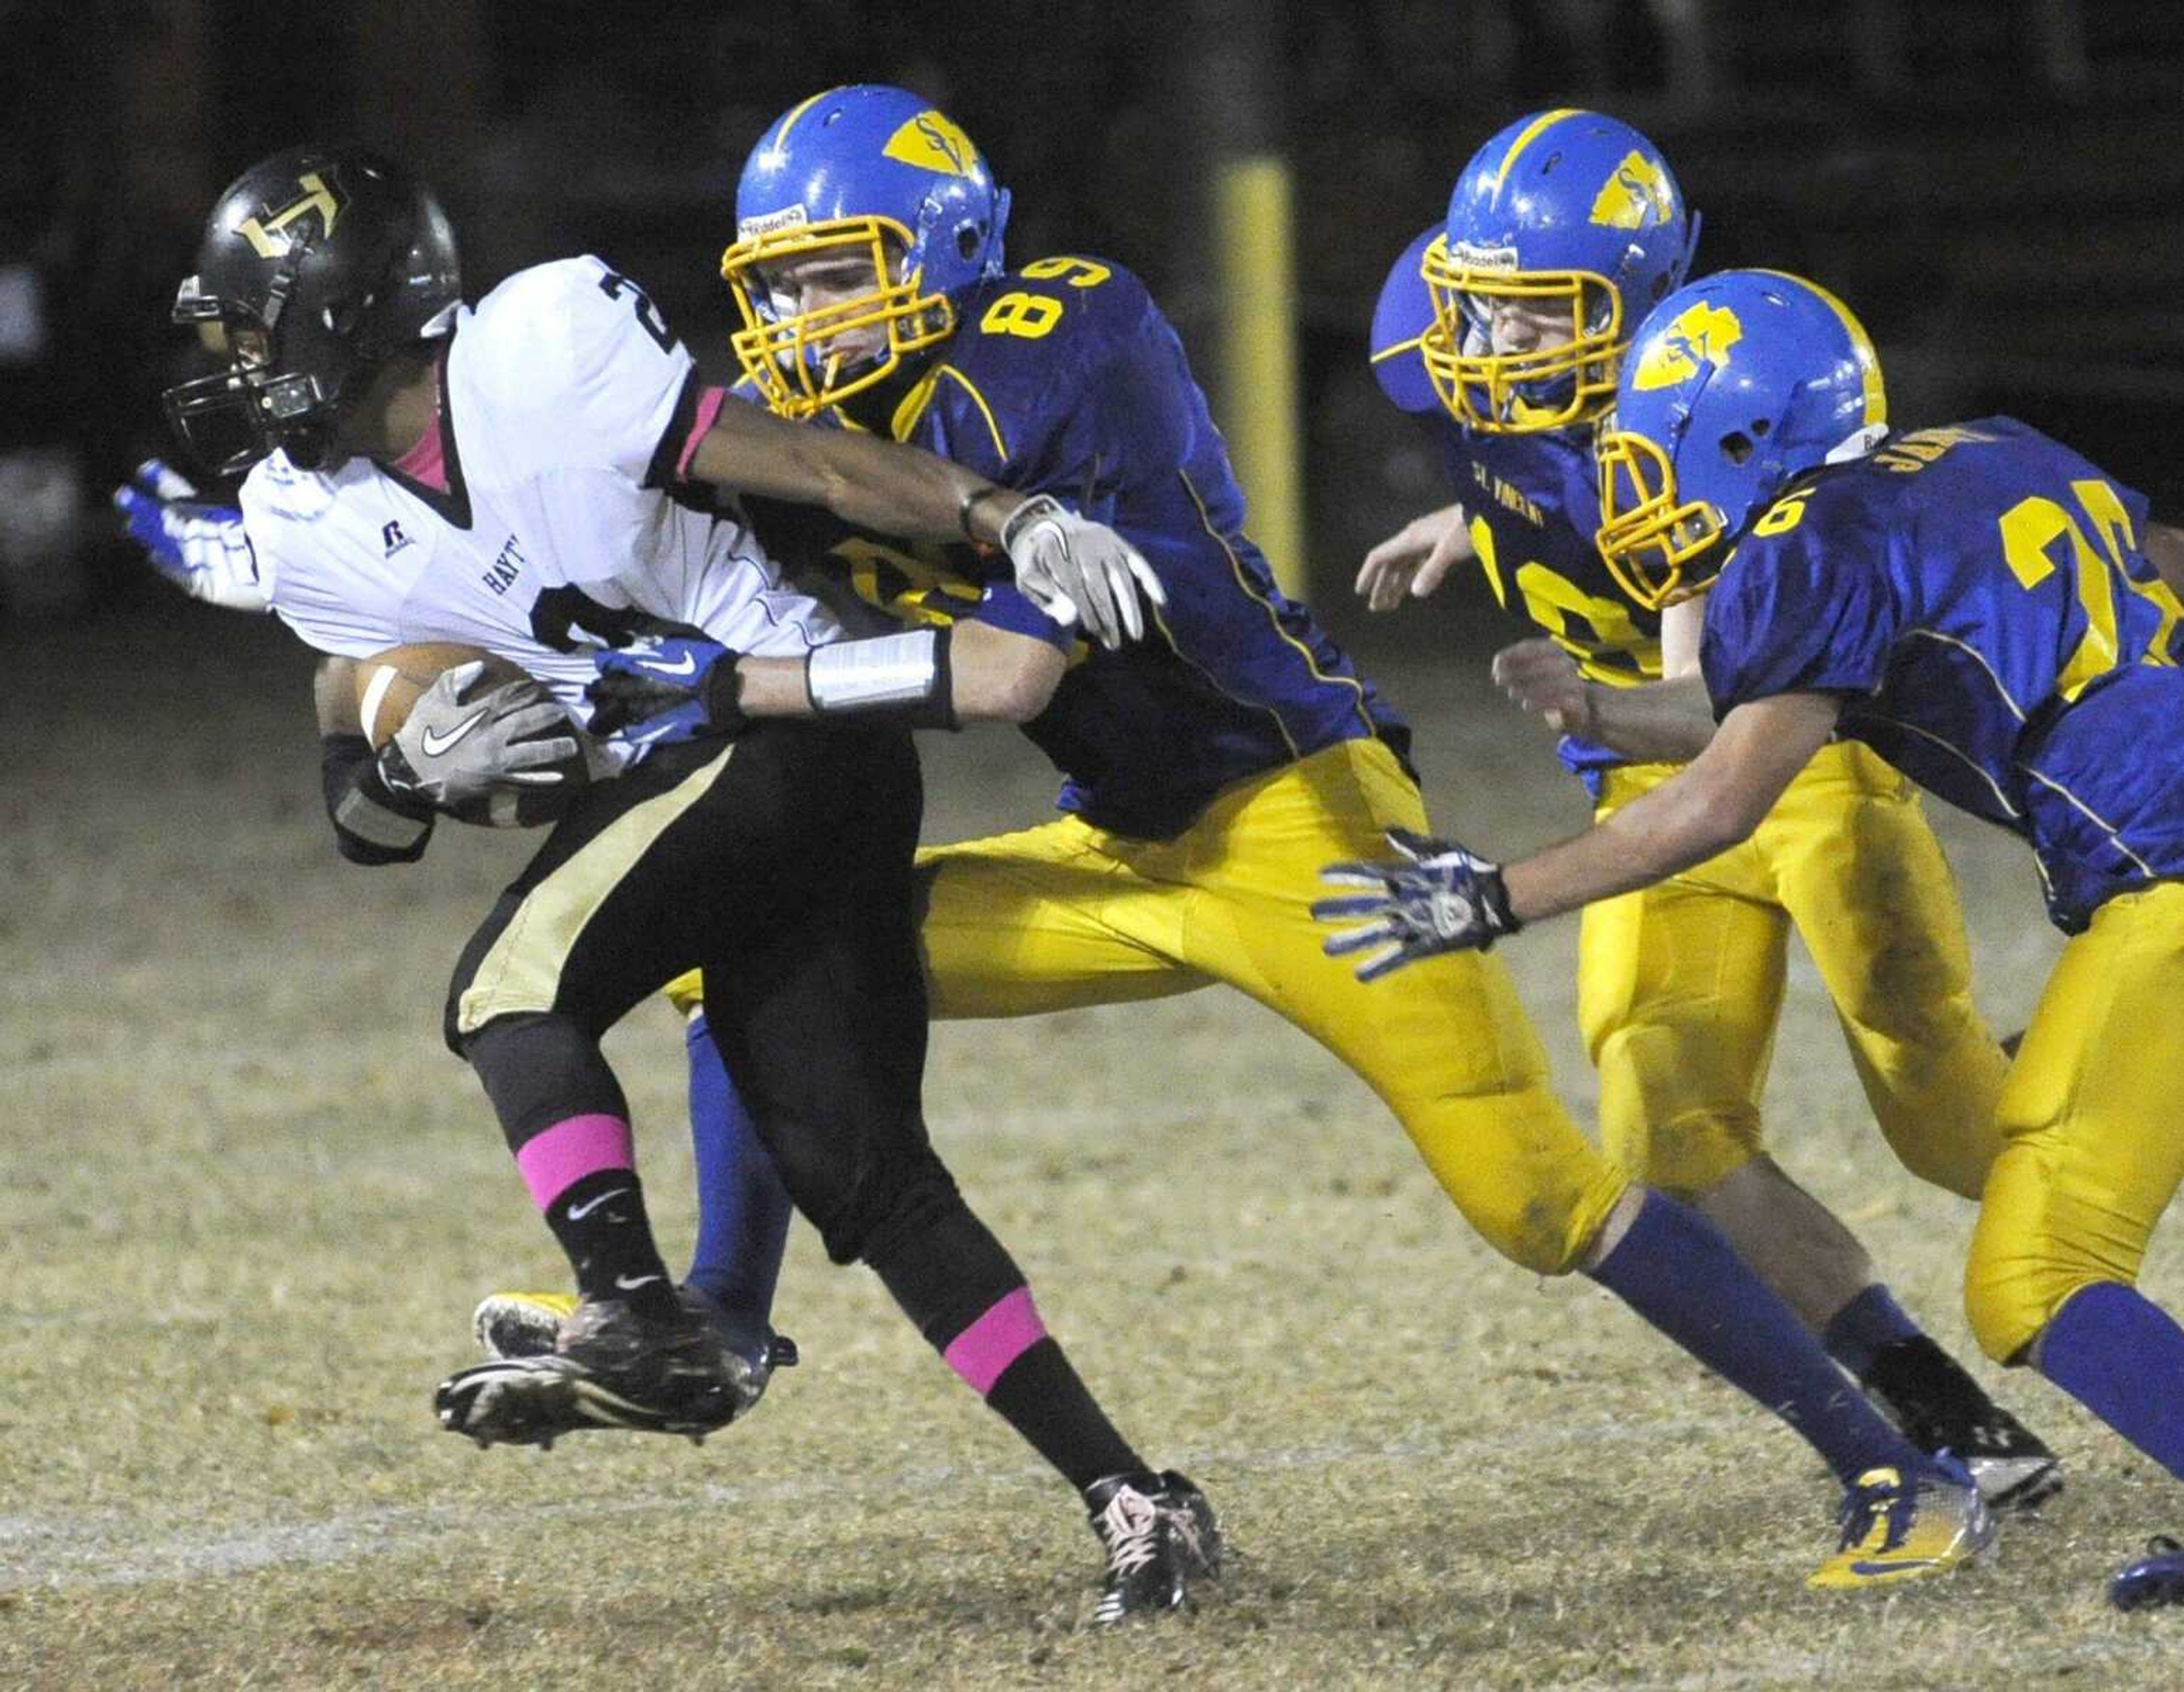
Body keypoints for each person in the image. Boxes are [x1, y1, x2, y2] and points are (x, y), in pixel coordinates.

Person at [486, 84, 1996, 1588]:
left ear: (944, 250)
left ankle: (1901, 1468)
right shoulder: (830, 433)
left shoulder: (1061, 341)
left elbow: (1012, 678)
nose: (810, 315)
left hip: (1302, 820)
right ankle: (725, 1319)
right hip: (1125, 852)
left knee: (1538, 1196)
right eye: (786, 282)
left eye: (840, 270)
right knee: (736, 954)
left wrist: (734, 674)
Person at [160, 142, 1217, 1624]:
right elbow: (359, 708)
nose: (242, 362)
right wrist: (394, 776)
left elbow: (807, 456)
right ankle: (1134, 1496)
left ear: (347, 314)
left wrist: (1002, 515)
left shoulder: (542, 347)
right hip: (758, 779)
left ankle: (640, 1314)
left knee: (508, 992)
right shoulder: (303, 513)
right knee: (866, 1174)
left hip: (777, 722)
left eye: (262, 325)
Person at [1314, 265, 2184, 1596]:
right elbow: (1758, 694)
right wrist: (1605, 715)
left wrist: (1491, 896)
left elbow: (1714, 805)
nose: (1646, 483)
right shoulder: (1989, 449)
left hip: (2167, 879)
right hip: (2156, 875)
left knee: (2035, 1269)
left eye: (1670, 447)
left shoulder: (1811, 537)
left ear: (1749, 435)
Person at [1353, 110, 2056, 1508]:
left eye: (1534, 320)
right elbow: (1519, 468)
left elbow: (1713, 717)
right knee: (1668, 1133)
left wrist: (1585, 728)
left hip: (1783, 767)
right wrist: (1479, 520)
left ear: (1640, 310)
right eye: (1477, 309)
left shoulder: (1704, 404)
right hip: (1637, 781)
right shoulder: (1443, 344)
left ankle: (2124, 1072)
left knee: (1954, 1128)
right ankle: (1939, 1407)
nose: (1487, 349)